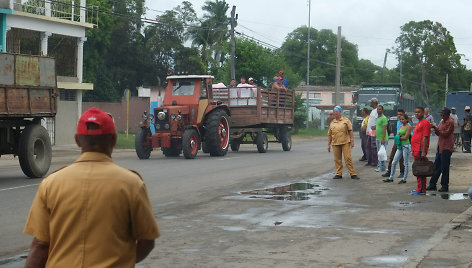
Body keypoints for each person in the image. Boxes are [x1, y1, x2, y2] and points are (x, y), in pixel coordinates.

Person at [24, 108, 160, 267]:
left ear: (77, 140)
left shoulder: (51, 184)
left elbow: (40, 245)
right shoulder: (132, 184)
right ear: (114, 140)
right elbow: (147, 241)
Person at [427, 107, 455, 192]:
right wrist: (434, 129)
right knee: (436, 167)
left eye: (443, 114)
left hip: (446, 148)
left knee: (444, 168)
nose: (441, 115)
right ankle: (432, 184)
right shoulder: (442, 122)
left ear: (447, 115)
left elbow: (445, 134)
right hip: (440, 147)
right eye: (441, 113)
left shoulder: (450, 122)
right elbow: (439, 133)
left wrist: (435, 128)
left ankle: (444, 186)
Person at [327, 106, 359, 180]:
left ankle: (353, 173)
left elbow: (350, 131)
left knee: (348, 158)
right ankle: (339, 173)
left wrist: (352, 140)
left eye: (336, 112)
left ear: (340, 112)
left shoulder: (346, 120)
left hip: (345, 142)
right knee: (337, 159)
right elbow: (329, 134)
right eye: (334, 112)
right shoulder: (332, 122)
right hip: (335, 143)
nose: (335, 113)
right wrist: (328, 144)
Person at [383, 114, 412, 183]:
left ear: (406, 119)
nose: (402, 121)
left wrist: (398, 138)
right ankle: (391, 177)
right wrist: (399, 137)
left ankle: (404, 179)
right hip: (400, 145)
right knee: (394, 161)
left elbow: (406, 137)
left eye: (403, 119)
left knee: (406, 163)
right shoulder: (401, 126)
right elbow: (399, 135)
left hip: (406, 146)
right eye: (401, 119)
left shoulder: (409, 127)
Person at [410, 106, 431, 195]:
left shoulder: (425, 123)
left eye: (418, 112)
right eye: (416, 112)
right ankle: (420, 188)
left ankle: (422, 189)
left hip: (420, 150)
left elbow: (425, 137)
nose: (416, 114)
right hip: (416, 150)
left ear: (423, 113)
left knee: (421, 170)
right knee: (418, 169)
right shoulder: (419, 123)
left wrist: (423, 151)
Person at [382, 109, 406, 178]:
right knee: (392, 156)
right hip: (397, 141)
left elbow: (409, 133)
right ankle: (389, 171)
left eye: (400, 114)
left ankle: (402, 172)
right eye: (398, 114)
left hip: (403, 142)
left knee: (401, 158)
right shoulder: (398, 122)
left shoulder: (406, 123)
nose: (399, 116)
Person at [366, 98, 379, 167]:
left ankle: (374, 161)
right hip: (370, 131)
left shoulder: (377, 111)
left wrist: (376, 127)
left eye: (371, 102)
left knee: (373, 147)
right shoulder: (373, 111)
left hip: (374, 131)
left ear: (374, 103)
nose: (370, 104)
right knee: (368, 147)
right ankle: (370, 161)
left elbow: (378, 120)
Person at [375, 105, 389, 172]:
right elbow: (378, 126)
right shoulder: (378, 117)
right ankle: (381, 166)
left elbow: (384, 129)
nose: (378, 110)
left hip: (382, 138)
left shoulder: (384, 118)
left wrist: (383, 139)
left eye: (380, 109)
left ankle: (382, 167)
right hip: (378, 138)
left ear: (382, 110)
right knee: (379, 153)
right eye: (377, 109)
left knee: (382, 153)